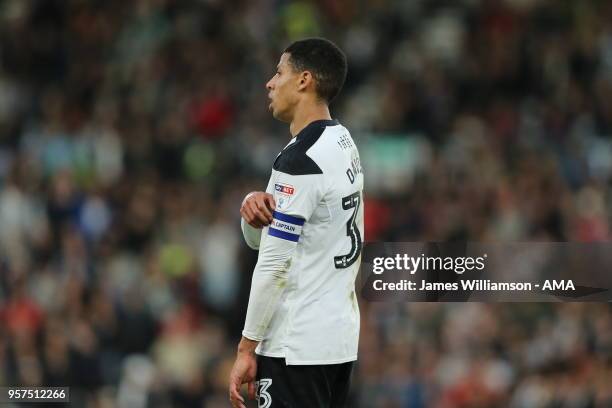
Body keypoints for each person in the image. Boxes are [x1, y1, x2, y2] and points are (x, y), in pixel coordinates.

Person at [228, 38, 364, 408]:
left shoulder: (300, 161)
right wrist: (251, 208)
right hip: (337, 341)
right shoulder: (342, 142)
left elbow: (272, 263)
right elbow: (273, 236)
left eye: (279, 72)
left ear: (304, 80)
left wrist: (246, 347)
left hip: (296, 345)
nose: (270, 83)